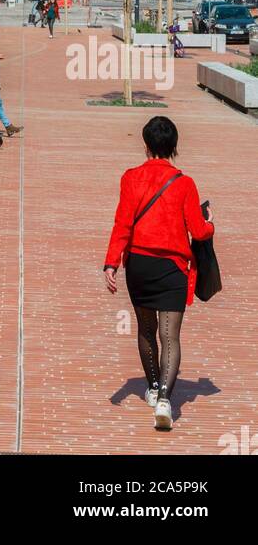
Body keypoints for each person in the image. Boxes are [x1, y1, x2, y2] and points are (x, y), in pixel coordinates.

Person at [103, 116, 214, 431]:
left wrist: (111, 262)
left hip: (138, 264)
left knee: (145, 330)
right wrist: (211, 223)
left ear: (146, 145)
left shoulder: (131, 178)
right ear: (174, 147)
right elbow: (199, 231)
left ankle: (152, 388)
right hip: (171, 268)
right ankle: (165, 398)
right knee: (170, 336)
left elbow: (122, 223)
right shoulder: (184, 183)